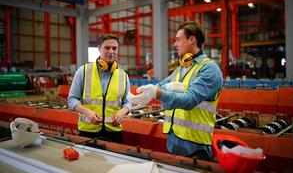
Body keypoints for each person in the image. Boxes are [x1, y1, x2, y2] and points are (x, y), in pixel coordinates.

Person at [128, 21, 223, 160]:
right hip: (174, 140)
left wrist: (157, 93)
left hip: (195, 144)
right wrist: (144, 95)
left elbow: (190, 99)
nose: (174, 44)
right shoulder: (181, 69)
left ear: (192, 39)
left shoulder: (209, 69)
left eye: (178, 39)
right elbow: (161, 85)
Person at [67, 34, 132, 143]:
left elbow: (128, 102)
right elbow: (71, 99)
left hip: (114, 131)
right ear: (99, 49)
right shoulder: (83, 71)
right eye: (107, 48)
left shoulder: (123, 75)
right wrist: (87, 112)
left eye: (114, 48)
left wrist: (122, 112)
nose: (111, 51)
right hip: (88, 131)